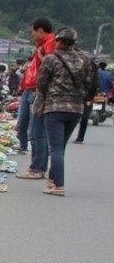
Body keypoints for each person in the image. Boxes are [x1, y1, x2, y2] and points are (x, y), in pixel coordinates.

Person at [35, 27, 95, 197]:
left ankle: (59, 185)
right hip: (76, 109)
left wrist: (40, 105)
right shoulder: (84, 60)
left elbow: (42, 84)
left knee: (55, 147)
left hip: (55, 107)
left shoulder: (51, 59)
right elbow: (90, 83)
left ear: (58, 41)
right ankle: (52, 182)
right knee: (60, 147)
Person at [16, 17, 56, 179]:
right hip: (29, 89)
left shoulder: (49, 46)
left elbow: (48, 71)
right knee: (25, 125)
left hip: (37, 91)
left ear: (40, 30)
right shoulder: (41, 46)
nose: (32, 35)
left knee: (37, 131)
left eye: (33, 32)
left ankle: (37, 168)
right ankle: (38, 165)